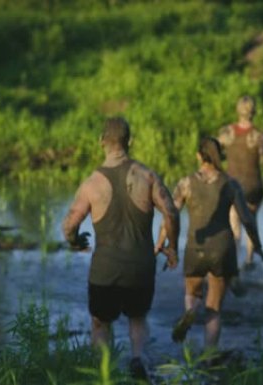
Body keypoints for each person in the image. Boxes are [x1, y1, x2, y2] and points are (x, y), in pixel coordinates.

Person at [62, 117, 180, 380]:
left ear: (101, 142)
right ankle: (138, 359)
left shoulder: (92, 183)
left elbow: (69, 224)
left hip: (105, 270)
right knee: (137, 318)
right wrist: (172, 247)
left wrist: (75, 241)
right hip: (141, 266)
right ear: (130, 141)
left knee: (100, 323)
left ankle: (104, 372)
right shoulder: (147, 176)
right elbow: (171, 213)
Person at [156, 137, 263, 351]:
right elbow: (247, 219)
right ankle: (209, 356)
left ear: (199, 155)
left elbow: (170, 216)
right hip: (223, 249)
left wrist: (161, 243)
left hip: (195, 247)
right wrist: (258, 246)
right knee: (214, 308)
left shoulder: (186, 183)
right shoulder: (230, 184)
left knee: (192, 293)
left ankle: (191, 312)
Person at [217, 95, 263, 268]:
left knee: (234, 226)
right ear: (254, 112)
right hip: (253, 186)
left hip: (232, 186)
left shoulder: (226, 133)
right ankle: (249, 259)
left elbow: (216, 154)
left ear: (237, 110)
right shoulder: (258, 136)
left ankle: (232, 263)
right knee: (251, 220)